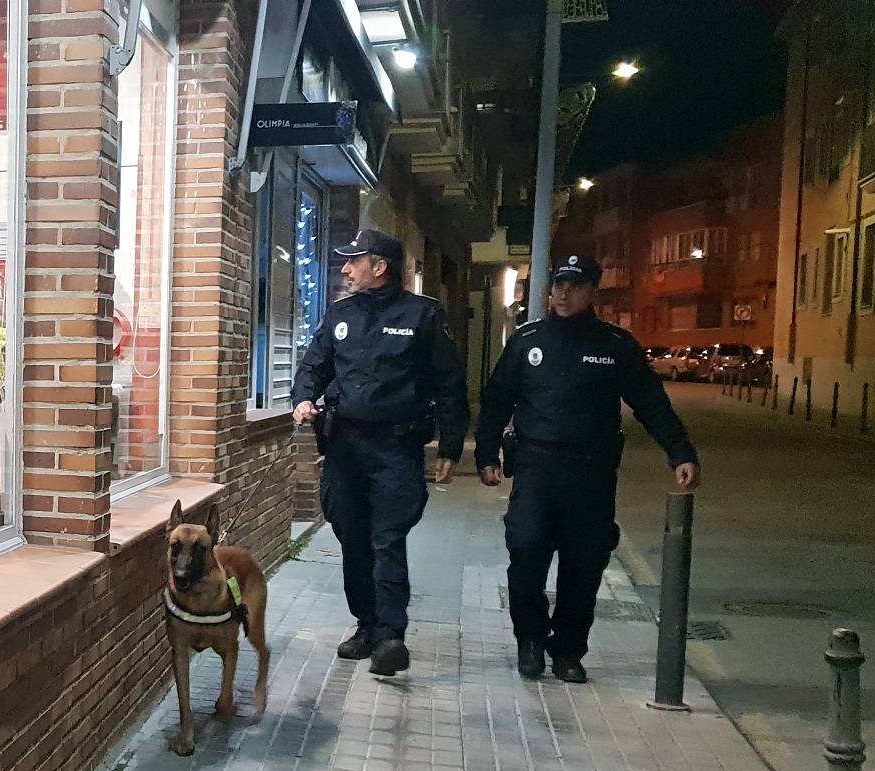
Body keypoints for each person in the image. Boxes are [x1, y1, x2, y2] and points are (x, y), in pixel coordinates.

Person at [476, 255, 700, 683]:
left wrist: (680, 451)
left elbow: (651, 403)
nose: (563, 293)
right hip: (536, 468)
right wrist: (486, 456)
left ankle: (568, 651)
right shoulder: (528, 340)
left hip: (591, 474)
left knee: (584, 564)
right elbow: (497, 400)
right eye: (559, 285)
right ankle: (530, 640)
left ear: (592, 292)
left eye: (575, 287)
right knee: (525, 552)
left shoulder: (615, 345)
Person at [293, 230, 470, 677]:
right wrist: (303, 397)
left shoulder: (422, 315)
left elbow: (450, 385)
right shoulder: (340, 315)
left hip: (395, 447)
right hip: (344, 448)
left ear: (380, 267)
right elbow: (314, 365)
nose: (346, 269)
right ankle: (366, 625)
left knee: (387, 540)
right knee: (351, 538)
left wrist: (451, 444)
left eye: (355, 262)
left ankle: (391, 635)